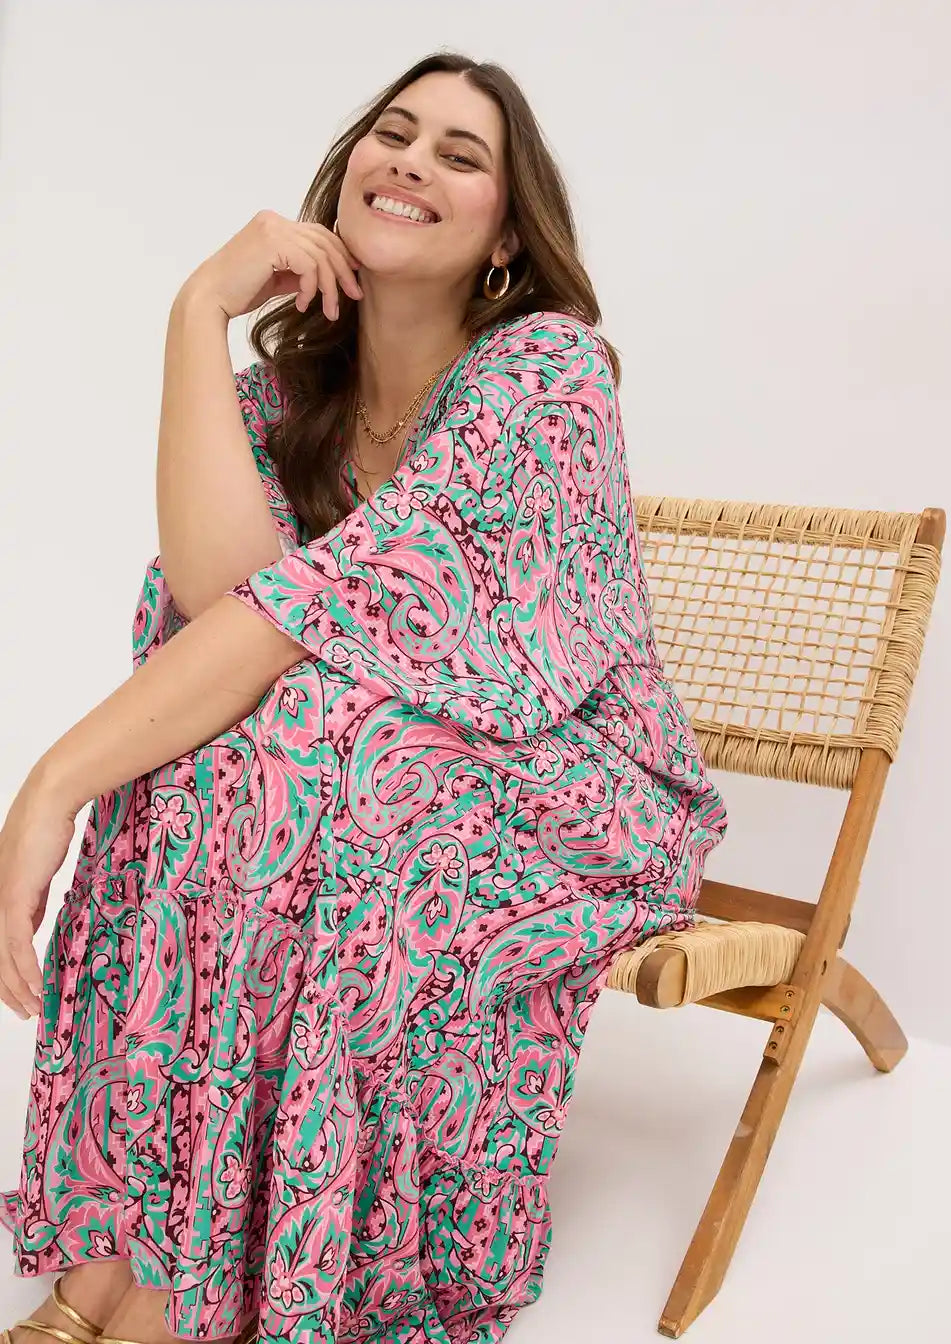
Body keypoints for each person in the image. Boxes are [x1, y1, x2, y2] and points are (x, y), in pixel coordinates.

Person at [0, 51, 726, 1344]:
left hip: (575, 785)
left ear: (507, 236)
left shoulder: (545, 375)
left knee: (308, 745)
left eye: (461, 153)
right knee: (239, 739)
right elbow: (222, 596)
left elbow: (311, 617)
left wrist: (52, 783)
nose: (412, 161)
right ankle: (148, 1254)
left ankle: (196, 1286)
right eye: (394, 133)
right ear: (346, 176)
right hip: (376, 761)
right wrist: (194, 309)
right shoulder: (290, 400)